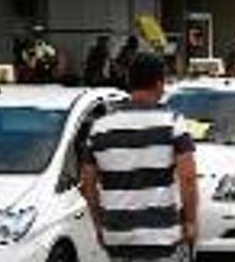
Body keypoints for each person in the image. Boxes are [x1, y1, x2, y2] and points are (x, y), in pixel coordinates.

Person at [80, 54, 199, 262]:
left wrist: (100, 226)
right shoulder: (172, 123)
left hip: (118, 235)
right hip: (161, 237)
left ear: (129, 82)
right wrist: (190, 221)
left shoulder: (99, 128)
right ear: (159, 83)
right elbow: (188, 179)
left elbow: (88, 184)